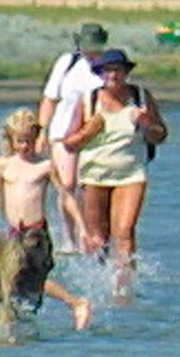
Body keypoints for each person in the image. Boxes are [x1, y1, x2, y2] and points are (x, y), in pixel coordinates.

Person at [64, 48, 166, 300]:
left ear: (126, 72)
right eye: (107, 71)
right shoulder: (89, 100)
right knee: (99, 238)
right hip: (94, 175)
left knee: (125, 232)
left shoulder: (140, 98)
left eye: (117, 70)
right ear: (100, 74)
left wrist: (146, 124)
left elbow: (161, 135)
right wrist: (89, 131)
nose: (113, 75)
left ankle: (123, 290)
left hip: (131, 174)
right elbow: (69, 143)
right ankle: (98, 285)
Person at [0, 107, 92, 330]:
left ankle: (74, 302)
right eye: (20, 141)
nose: (24, 146)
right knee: (18, 284)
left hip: (35, 233)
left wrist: (82, 227)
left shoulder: (44, 166)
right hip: (13, 233)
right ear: (11, 140)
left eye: (29, 141)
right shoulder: (3, 165)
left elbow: (65, 196)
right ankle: (13, 323)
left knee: (21, 276)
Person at [36, 22, 109, 251]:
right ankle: (70, 238)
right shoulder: (67, 62)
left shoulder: (107, 68)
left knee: (88, 186)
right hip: (61, 132)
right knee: (66, 183)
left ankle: (91, 235)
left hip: (93, 134)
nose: (90, 52)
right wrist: (42, 131)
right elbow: (50, 98)